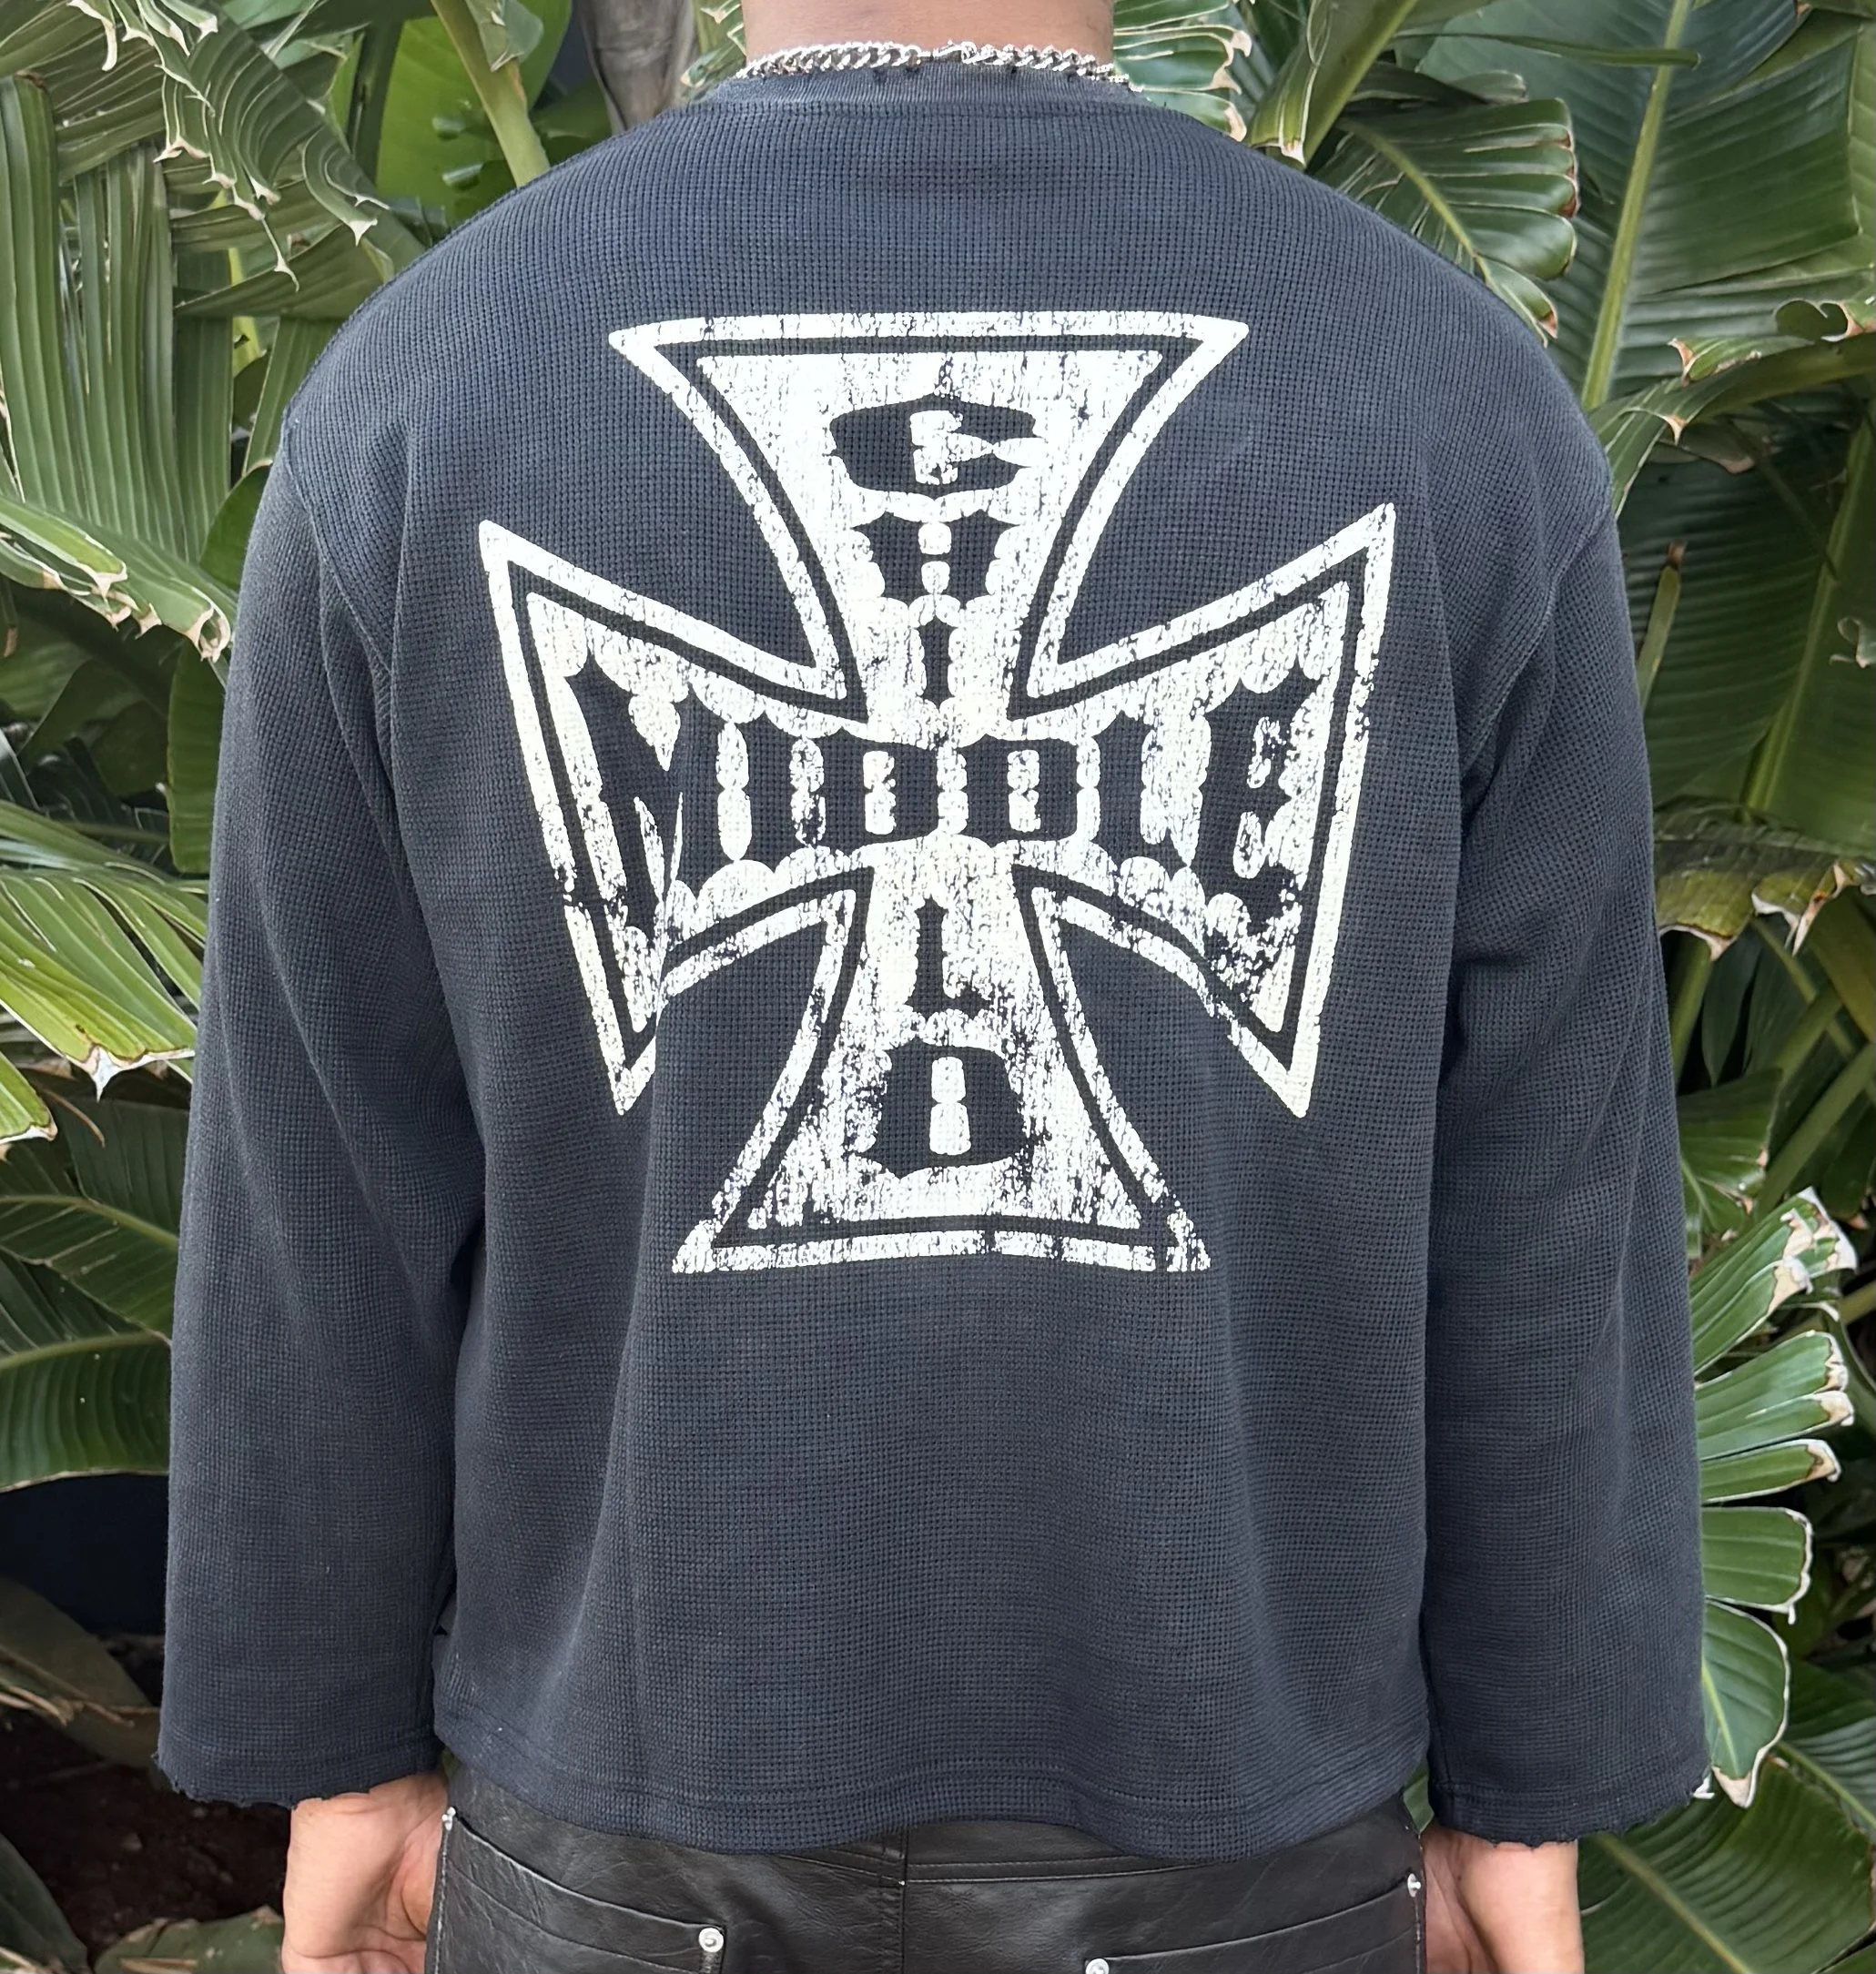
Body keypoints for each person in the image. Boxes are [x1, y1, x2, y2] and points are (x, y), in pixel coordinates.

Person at [154, 0, 1711, 1968]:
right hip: (1235, 1816)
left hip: (629, 1807)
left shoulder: (429, 385)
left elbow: (320, 1172)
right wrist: (1528, 1783)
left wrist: (336, 1755)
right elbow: (1549, 1186)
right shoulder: (1447, 393)